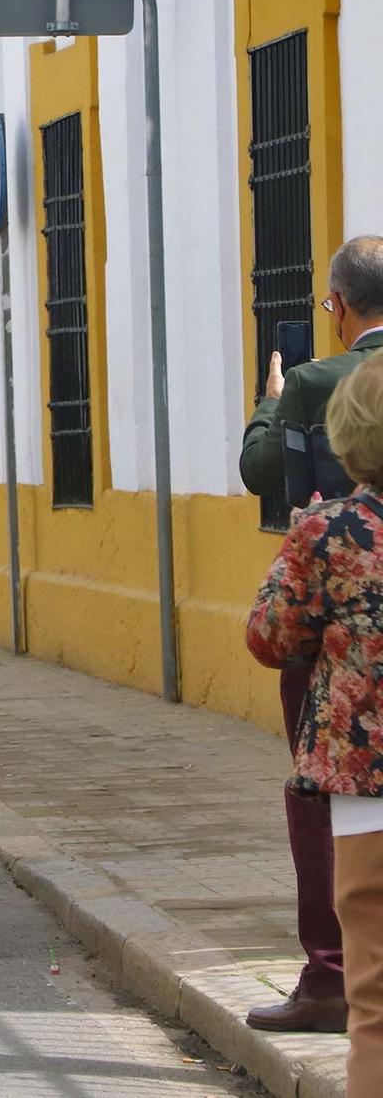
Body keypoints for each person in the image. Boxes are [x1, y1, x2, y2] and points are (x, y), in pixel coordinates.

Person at [236, 237, 383, 1031]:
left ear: (338, 305)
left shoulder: (317, 380)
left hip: (338, 646)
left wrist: (271, 397)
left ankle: (332, 976)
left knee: (323, 797)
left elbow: (262, 469)